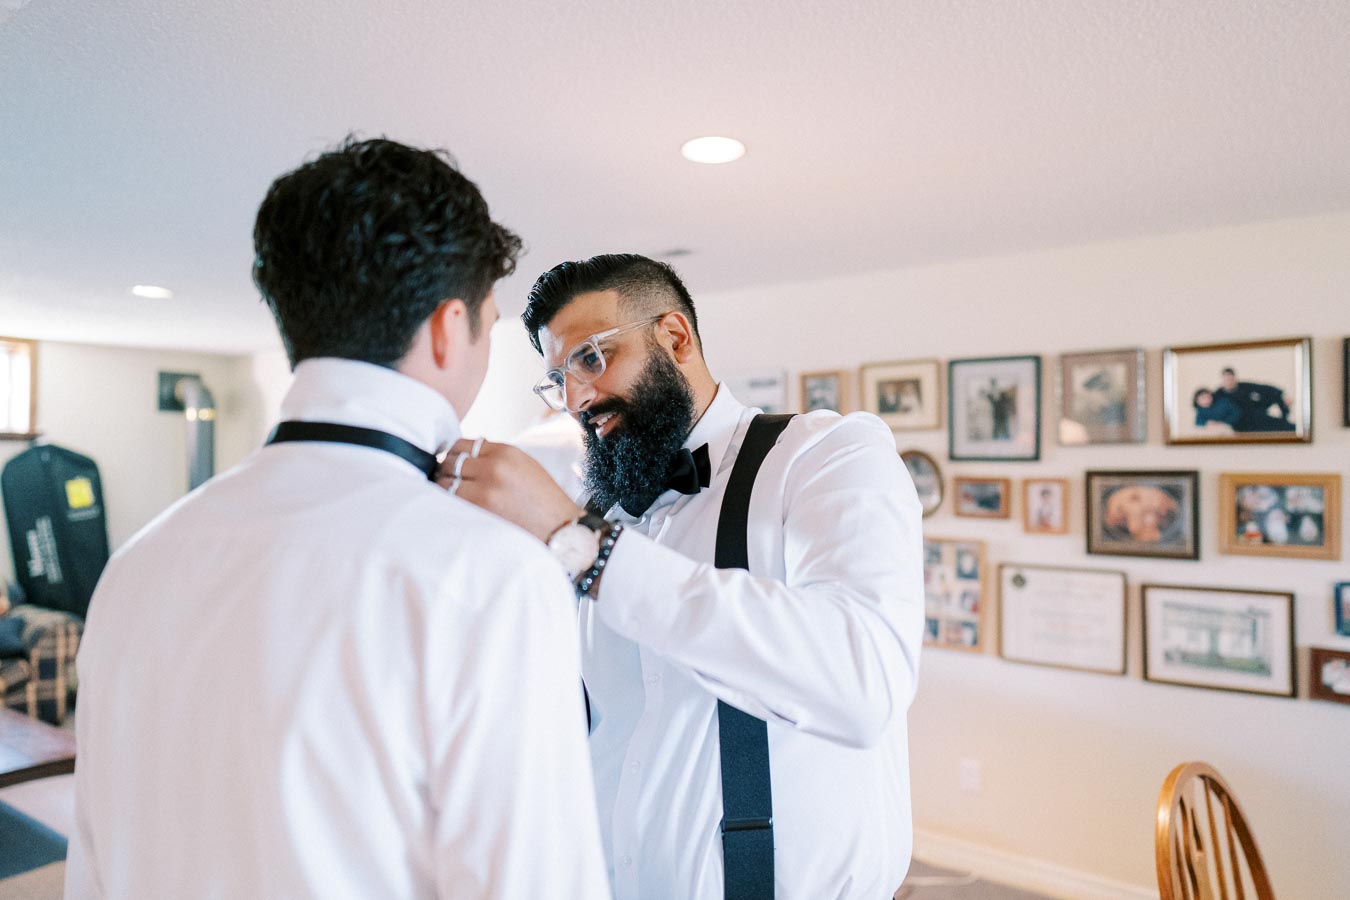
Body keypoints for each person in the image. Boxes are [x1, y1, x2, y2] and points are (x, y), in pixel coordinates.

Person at [65, 138, 610, 899]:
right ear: (451, 327)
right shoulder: (489, 575)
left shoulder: (137, 563)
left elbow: (91, 862)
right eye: (492, 319)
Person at [440, 254, 924, 899]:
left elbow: (860, 685)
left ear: (674, 337)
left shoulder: (826, 455)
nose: (575, 399)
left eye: (591, 357)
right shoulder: (608, 518)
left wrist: (586, 545)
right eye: (557, 378)